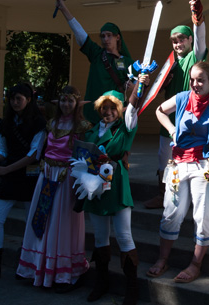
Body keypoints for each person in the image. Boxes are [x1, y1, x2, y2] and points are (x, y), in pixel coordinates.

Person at [146, 62, 209, 283]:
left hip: (206, 165)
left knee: (203, 214)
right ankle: (163, 259)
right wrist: (172, 130)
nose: (195, 84)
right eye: (193, 79)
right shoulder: (182, 98)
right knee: (171, 212)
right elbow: (160, 110)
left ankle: (195, 264)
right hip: (178, 163)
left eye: (201, 80)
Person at [78, 74, 148, 304]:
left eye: (112, 108)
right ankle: (102, 282)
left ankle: (132, 289)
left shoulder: (125, 127)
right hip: (95, 186)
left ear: (119, 110)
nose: (108, 112)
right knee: (100, 237)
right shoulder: (91, 132)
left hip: (116, 185)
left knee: (124, 236)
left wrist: (139, 85)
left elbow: (133, 107)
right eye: (104, 108)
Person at [16, 85, 92, 292]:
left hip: (66, 179)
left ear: (76, 103)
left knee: (62, 223)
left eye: (70, 100)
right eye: (63, 100)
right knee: (44, 220)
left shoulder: (83, 126)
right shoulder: (51, 123)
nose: (66, 104)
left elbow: (85, 157)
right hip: (47, 175)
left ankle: (63, 273)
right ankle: (38, 267)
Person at [0, 83, 47, 284]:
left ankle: (32, 267)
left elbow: (34, 154)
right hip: (11, 177)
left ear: (28, 99)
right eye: (12, 98)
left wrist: (6, 169)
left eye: (19, 98)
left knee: (33, 224)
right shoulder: (6, 124)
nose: (15, 102)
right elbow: (3, 152)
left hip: (31, 178)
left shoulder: (39, 123)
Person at [144, 0, 208, 209]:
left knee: (190, 159)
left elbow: (200, 39)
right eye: (174, 41)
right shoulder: (170, 62)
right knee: (164, 158)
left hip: (191, 116)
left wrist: (197, 18)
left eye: (182, 40)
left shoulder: (195, 57)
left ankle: (189, 199)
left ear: (189, 40)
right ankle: (163, 195)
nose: (178, 44)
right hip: (169, 116)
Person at [55, 0, 134, 124]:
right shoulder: (96, 54)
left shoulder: (127, 62)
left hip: (113, 113)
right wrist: (64, 9)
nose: (105, 39)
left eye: (109, 35)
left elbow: (139, 83)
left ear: (117, 37)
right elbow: (80, 34)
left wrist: (132, 86)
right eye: (102, 36)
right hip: (92, 112)